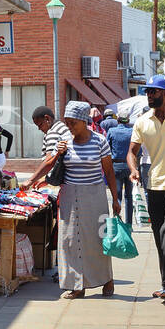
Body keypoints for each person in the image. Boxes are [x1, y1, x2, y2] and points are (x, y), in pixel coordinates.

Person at [28, 100, 119, 299]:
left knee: (98, 240)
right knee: (69, 240)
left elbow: (109, 171)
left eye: (73, 123)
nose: (69, 127)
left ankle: (106, 279)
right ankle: (77, 285)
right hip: (70, 196)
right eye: (67, 122)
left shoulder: (99, 141)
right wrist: (31, 180)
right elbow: (49, 163)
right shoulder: (65, 142)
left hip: (94, 196)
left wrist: (115, 198)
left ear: (84, 121)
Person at [127, 75, 165, 301]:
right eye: (148, 92)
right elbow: (132, 152)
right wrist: (133, 169)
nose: (150, 95)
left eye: (154, 91)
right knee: (160, 236)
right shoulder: (142, 122)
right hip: (154, 185)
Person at [104, 111, 134, 227]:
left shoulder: (112, 131)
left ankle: (117, 222)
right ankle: (129, 224)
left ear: (118, 120)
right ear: (128, 120)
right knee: (129, 196)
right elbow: (137, 150)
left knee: (117, 196)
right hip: (129, 166)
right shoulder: (132, 132)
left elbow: (106, 149)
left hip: (115, 166)